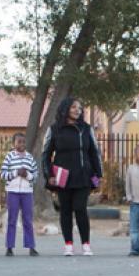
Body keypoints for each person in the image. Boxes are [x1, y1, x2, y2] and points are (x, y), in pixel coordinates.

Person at [42, 98, 102, 257]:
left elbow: (94, 153)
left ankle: (86, 244)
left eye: (80, 108)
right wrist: (49, 175)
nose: (77, 110)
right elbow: (45, 155)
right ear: (65, 109)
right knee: (65, 210)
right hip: (62, 177)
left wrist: (98, 175)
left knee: (80, 208)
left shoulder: (86, 129)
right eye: (74, 107)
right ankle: (68, 244)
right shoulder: (54, 129)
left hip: (83, 176)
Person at [0, 132, 39, 257]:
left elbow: (35, 176)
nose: (21, 144)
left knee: (28, 220)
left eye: (23, 142)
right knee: (12, 220)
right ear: (13, 143)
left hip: (27, 193)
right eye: (19, 142)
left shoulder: (29, 157)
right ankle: (9, 247)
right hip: (12, 192)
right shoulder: (9, 157)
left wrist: (27, 175)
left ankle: (31, 246)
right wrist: (17, 172)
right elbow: (3, 174)